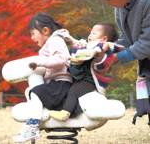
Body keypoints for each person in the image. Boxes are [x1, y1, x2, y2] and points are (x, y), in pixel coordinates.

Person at [95, 0, 150, 125]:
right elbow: (127, 36)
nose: (107, 3)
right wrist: (111, 51)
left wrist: (117, 58)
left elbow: (147, 42)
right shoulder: (121, 4)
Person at [12, 13, 74, 143]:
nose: (31, 37)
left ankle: (33, 125)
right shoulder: (50, 43)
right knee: (30, 91)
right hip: (55, 84)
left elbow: (61, 60)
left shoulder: (54, 40)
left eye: (33, 33)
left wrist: (39, 61)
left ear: (45, 31)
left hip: (61, 83)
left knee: (36, 92)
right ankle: (36, 119)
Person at [49, 22, 124, 121]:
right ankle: (67, 110)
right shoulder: (88, 45)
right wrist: (68, 37)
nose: (90, 35)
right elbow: (78, 44)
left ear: (104, 38)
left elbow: (101, 65)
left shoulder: (104, 50)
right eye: (90, 32)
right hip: (83, 77)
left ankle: (65, 113)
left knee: (72, 93)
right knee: (69, 91)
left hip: (90, 80)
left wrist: (99, 54)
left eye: (94, 33)